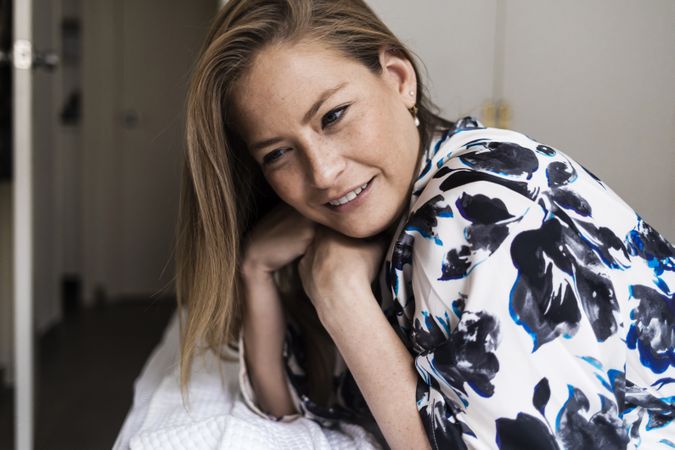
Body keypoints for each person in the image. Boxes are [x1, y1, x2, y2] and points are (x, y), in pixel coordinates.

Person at [175, 0, 675, 448]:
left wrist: (339, 293)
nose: (323, 174)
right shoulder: (378, 221)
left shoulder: (472, 210)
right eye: (279, 153)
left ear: (398, 78)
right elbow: (286, 405)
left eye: (333, 116)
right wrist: (255, 269)